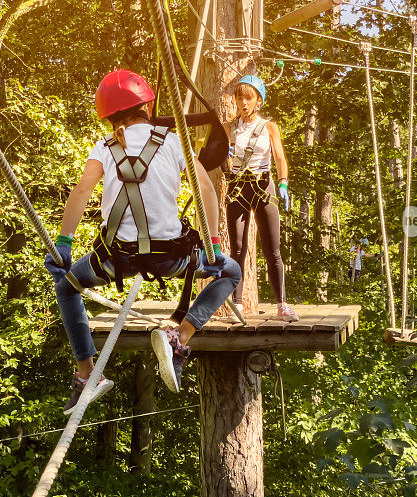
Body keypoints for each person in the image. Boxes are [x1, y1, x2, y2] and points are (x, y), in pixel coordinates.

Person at [44, 70, 240, 413]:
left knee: (67, 288)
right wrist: (213, 244)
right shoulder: (173, 142)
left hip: (116, 259)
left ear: (110, 116)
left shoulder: (103, 147)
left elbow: (81, 191)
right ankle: (180, 337)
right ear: (147, 106)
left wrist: (64, 241)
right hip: (172, 258)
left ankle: (88, 373)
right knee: (230, 273)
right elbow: (205, 189)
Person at [225, 75, 298, 321]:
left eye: (248, 98)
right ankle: (236, 307)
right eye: (239, 98)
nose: (243, 103)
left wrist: (283, 183)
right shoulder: (229, 127)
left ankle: (282, 305)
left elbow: (279, 158)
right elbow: (217, 157)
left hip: (263, 187)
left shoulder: (269, 126)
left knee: (272, 250)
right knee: (237, 250)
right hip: (237, 188)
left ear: (258, 100)